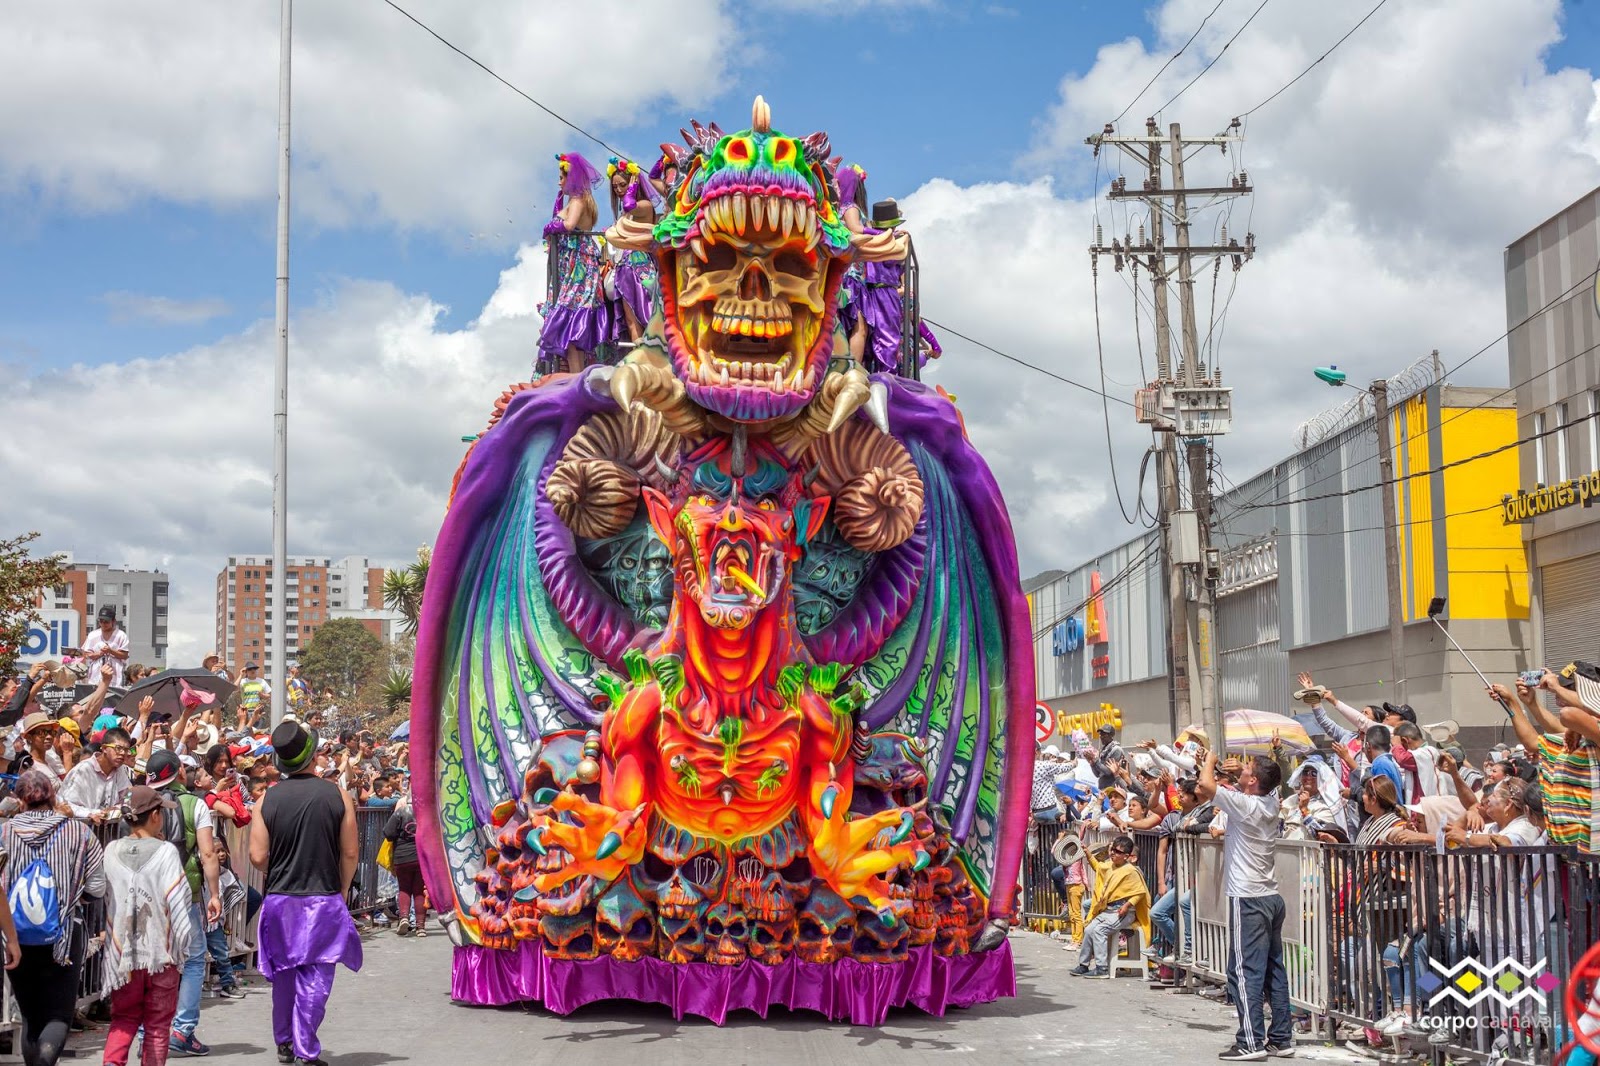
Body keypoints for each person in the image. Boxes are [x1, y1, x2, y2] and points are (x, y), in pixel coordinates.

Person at [250, 720, 362, 1066]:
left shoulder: (266, 799)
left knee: (284, 975)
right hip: (323, 897)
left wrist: (281, 868)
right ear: (313, 756)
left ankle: (285, 1042)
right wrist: (342, 890)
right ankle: (305, 1048)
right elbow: (350, 853)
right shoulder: (337, 795)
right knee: (316, 976)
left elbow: (256, 856)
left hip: (281, 899)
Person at [1, 770, 107, 1066]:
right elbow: (97, 887)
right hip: (65, 935)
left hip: (14, 937)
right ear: (54, 797)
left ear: (20, 800)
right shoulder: (80, 832)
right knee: (58, 1014)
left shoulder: (4, 832)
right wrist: (73, 898)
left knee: (30, 1015)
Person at [1196, 750, 1293, 1061]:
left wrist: (1210, 760)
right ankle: (1281, 1038)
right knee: (1273, 970)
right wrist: (1239, 772)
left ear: (1252, 781)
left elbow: (1206, 788)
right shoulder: (1270, 800)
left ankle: (1250, 1041)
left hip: (1248, 898)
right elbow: (1264, 781)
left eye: (1246, 768)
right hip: (1270, 896)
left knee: (1244, 971)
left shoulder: (1245, 804)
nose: (1240, 768)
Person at [101, 785, 202, 1066]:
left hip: (124, 955)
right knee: (157, 1026)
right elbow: (179, 900)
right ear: (156, 815)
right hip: (161, 952)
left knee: (123, 1019)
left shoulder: (111, 850)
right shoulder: (167, 852)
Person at [143, 748, 223, 1058]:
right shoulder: (195, 805)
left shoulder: (139, 801)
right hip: (184, 892)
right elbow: (207, 854)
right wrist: (214, 894)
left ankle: (145, 1032)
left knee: (151, 961)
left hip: (147, 895)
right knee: (192, 960)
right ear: (179, 773)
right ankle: (181, 1029)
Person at [536, 152, 610, 377]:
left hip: (578, 264)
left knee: (570, 318)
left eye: (562, 176)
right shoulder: (576, 199)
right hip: (573, 262)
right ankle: (576, 374)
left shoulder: (578, 199)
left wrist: (552, 228)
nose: (559, 181)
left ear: (573, 177)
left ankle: (577, 376)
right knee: (570, 323)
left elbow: (569, 225)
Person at [1068, 835, 1150, 978]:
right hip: (1108, 910)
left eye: (1117, 852)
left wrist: (1127, 905)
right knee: (1089, 929)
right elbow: (1098, 867)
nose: (1113, 853)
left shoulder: (1131, 870)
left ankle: (1102, 968)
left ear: (1126, 856)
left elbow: (1139, 893)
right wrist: (1087, 853)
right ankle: (1083, 965)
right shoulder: (1111, 866)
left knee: (1099, 930)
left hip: (1124, 912)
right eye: (1112, 850)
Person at [606, 156, 660, 343]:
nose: (619, 190)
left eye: (623, 185)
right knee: (631, 322)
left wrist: (633, 187)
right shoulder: (625, 213)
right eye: (615, 187)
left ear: (633, 183)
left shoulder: (644, 206)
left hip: (641, 266)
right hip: (623, 268)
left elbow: (629, 203)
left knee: (648, 315)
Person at [59, 722, 135, 823]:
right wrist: (90, 813)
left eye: (126, 750)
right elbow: (66, 805)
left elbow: (128, 794)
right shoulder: (83, 769)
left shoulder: (119, 769)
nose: (122, 753)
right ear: (104, 748)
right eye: (118, 748)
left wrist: (120, 807)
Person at [383, 795, 427, 936]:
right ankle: (420, 927)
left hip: (402, 856)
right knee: (419, 891)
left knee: (404, 889)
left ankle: (404, 918)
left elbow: (388, 833)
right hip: (421, 856)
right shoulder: (427, 813)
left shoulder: (400, 812)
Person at [80, 606, 130, 688]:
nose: (103, 624)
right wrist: (100, 653)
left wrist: (110, 651)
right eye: (101, 621)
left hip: (115, 675)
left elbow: (125, 655)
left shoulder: (121, 635)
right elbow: (87, 654)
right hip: (96, 675)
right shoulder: (92, 635)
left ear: (113, 621)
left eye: (106, 622)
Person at [236, 664, 270, 731]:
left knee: (257, 732)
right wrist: (241, 675)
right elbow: (234, 688)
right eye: (250, 669)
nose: (252, 670)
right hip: (246, 711)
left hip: (257, 711)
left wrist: (262, 695)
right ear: (246, 671)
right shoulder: (243, 681)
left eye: (254, 669)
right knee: (245, 731)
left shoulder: (261, 681)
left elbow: (269, 695)